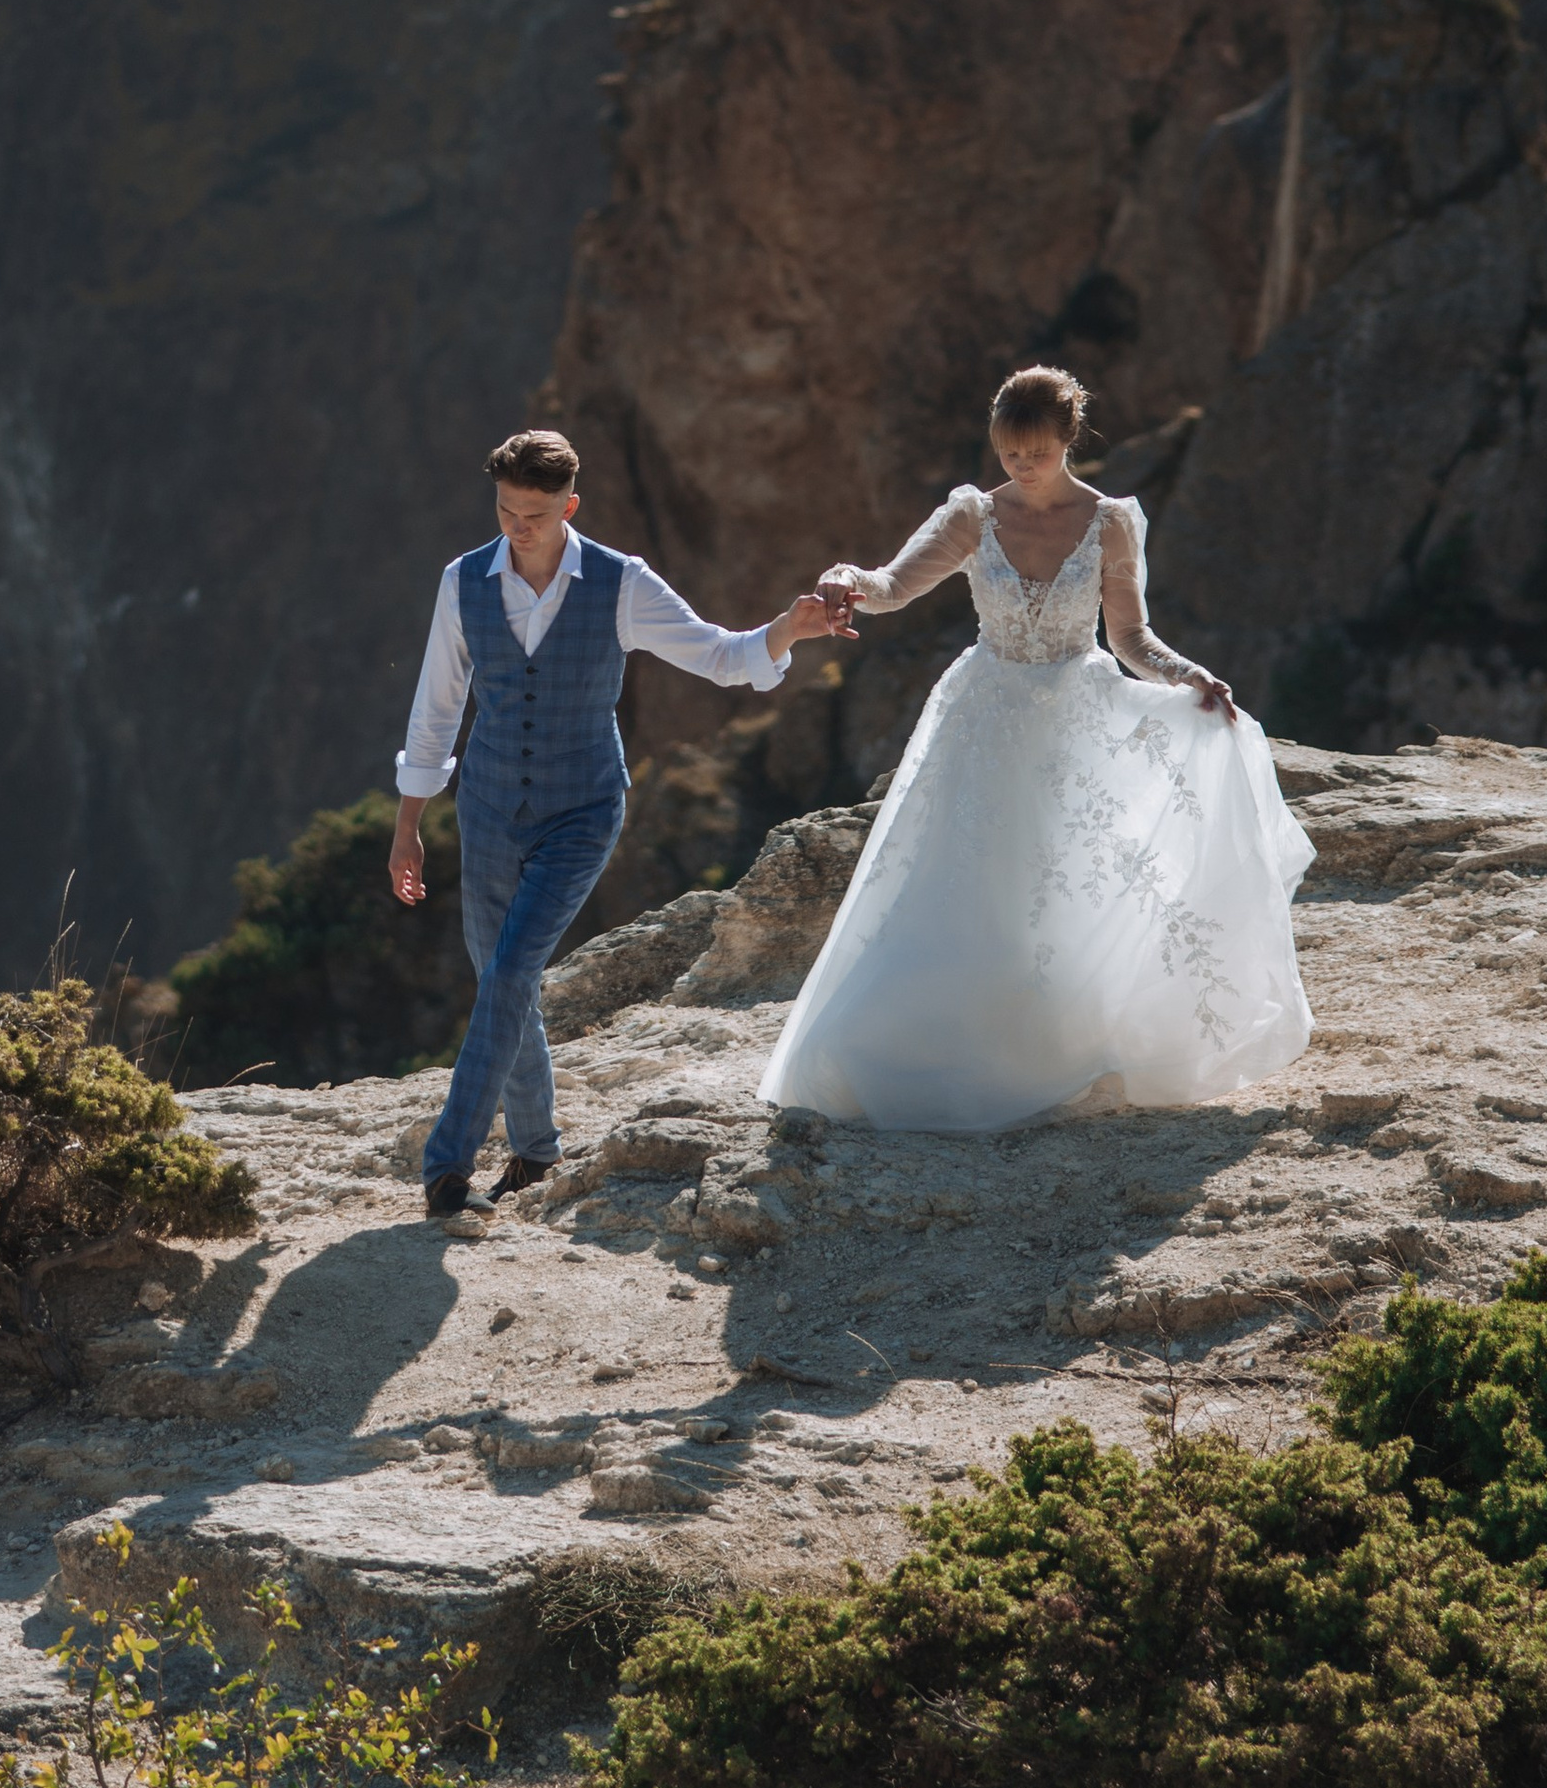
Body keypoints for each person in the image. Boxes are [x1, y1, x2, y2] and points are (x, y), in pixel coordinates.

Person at [765, 366, 1314, 1132]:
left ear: (1068, 441)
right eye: (1009, 452)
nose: (1021, 467)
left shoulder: (1111, 522)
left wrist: (1190, 675)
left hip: (1072, 717)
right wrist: (844, 577)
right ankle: (943, 1047)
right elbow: (890, 585)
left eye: (1036, 452)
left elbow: (1129, 636)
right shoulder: (970, 516)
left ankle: (1053, 1043)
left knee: (1060, 886)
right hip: (985, 717)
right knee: (966, 881)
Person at [391, 428, 849, 1217]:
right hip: (490, 805)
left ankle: (446, 1169)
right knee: (506, 980)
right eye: (505, 510)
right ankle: (536, 1154)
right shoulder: (463, 582)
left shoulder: (619, 583)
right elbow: (435, 710)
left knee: (507, 974)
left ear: (569, 506)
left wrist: (786, 630)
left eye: (534, 513)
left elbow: (718, 654)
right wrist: (409, 825)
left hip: (584, 807)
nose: (517, 527)